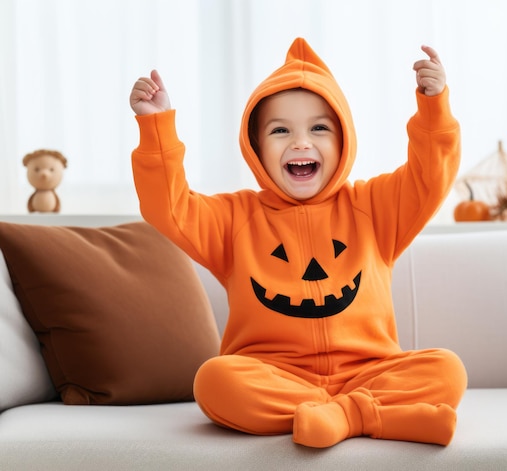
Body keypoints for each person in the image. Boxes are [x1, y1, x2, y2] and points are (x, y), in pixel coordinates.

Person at [129, 37, 467, 448]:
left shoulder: (374, 208)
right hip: (275, 376)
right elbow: (170, 207)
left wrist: (433, 107)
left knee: (447, 368)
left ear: (343, 142)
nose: (301, 142)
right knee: (215, 380)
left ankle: (339, 417)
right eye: (280, 130)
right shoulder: (235, 219)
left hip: (370, 371)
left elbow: (428, 177)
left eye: (319, 128)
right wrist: (156, 128)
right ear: (256, 148)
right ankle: (374, 415)